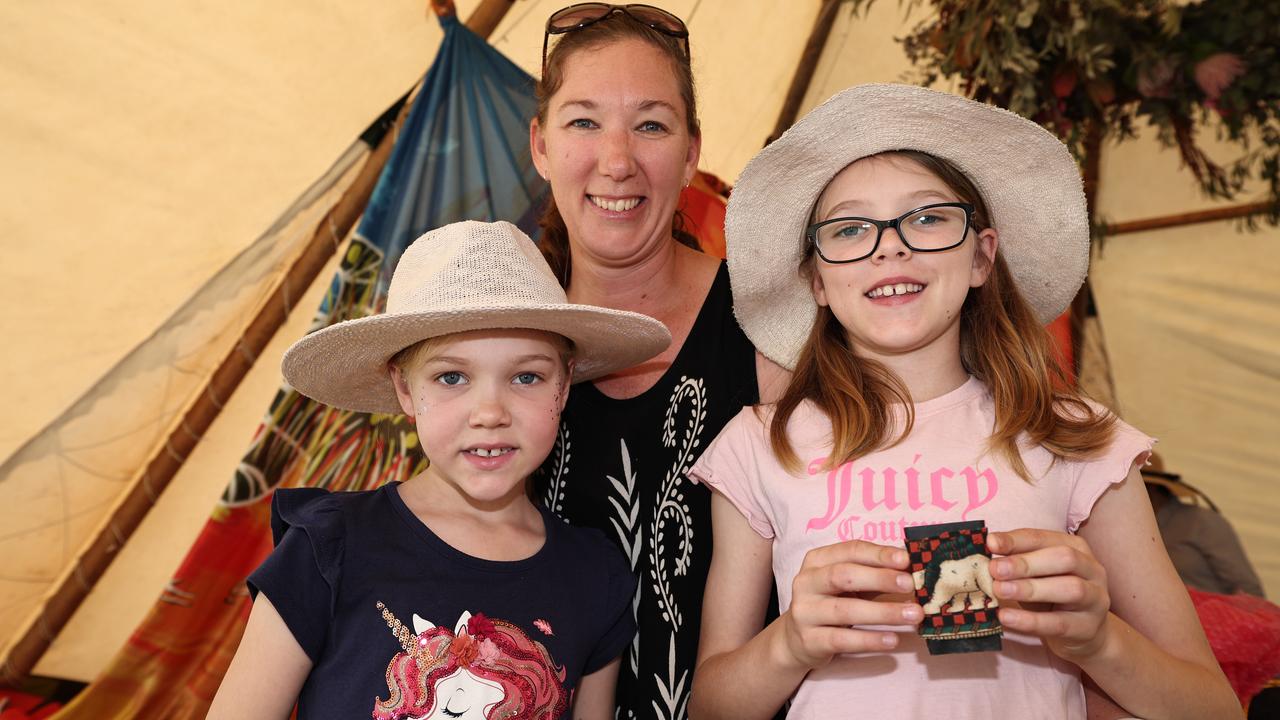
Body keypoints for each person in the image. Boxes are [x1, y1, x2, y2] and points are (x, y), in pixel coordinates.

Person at [686, 84, 1238, 719]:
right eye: (848, 228)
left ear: (982, 255)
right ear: (817, 279)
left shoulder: (1079, 439)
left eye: (927, 217)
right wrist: (789, 643)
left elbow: (1215, 707)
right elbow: (712, 708)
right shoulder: (759, 445)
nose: (890, 245)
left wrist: (1099, 640)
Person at [207, 220, 671, 720]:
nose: (490, 412)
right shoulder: (328, 548)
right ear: (405, 389)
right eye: (452, 376)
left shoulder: (595, 576)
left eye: (527, 376)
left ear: (564, 385)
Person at [528, 5, 788, 718]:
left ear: (692, 149)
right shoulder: (500, 348)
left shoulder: (772, 335)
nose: (617, 161)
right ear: (540, 145)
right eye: (583, 121)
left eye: (651, 125)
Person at [1144, 452, 1265, 597]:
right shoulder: (1132, 531)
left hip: (1214, 616)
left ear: (1150, 488)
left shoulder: (1201, 522)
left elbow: (1249, 591)